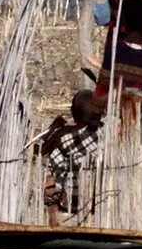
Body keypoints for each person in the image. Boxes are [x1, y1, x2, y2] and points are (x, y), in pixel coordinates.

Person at [37, 88, 106, 219]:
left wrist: (53, 128)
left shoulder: (65, 139)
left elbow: (42, 150)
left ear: (73, 112)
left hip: (74, 204)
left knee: (56, 161)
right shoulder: (104, 131)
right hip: (103, 200)